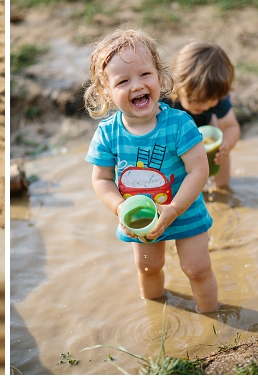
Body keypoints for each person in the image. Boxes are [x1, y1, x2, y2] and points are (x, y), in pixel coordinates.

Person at [83, 29, 218, 313]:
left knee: (197, 269)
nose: (136, 85)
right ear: (106, 91)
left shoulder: (179, 124)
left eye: (145, 74)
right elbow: (101, 178)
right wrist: (119, 208)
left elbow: (198, 170)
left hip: (185, 208)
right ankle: (155, 314)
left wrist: (175, 208)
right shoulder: (108, 133)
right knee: (148, 268)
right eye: (123, 80)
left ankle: (213, 321)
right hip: (138, 216)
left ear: (159, 75)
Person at [164, 42, 240, 189]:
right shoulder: (165, 99)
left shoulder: (216, 94)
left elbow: (231, 126)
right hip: (175, 135)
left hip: (204, 131)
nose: (204, 107)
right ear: (178, 87)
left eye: (211, 101)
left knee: (221, 152)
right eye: (195, 101)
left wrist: (227, 145)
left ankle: (222, 190)